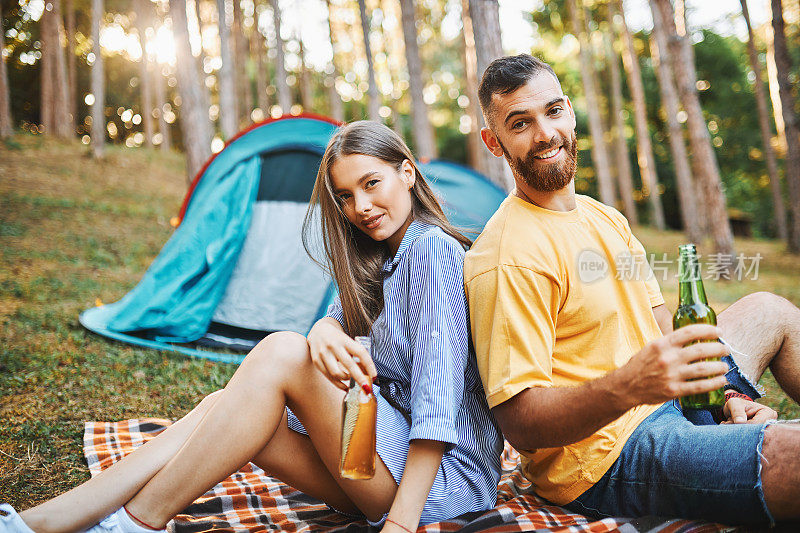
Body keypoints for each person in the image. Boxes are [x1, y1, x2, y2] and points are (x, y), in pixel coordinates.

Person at [1, 121, 504, 533]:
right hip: (367, 459)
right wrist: (324, 331)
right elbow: (333, 324)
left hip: (437, 484)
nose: (362, 207)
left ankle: (136, 523)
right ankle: (47, 521)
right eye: (346, 197)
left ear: (408, 173)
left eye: (372, 183)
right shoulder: (376, 258)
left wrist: (399, 523)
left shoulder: (431, 251)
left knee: (282, 351)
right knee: (227, 409)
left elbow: (438, 408)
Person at [464, 54, 800, 526]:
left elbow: (660, 324)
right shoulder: (505, 256)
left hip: (669, 401)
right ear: (493, 142)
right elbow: (521, 421)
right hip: (607, 460)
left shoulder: (603, 217)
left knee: (769, 310)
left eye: (553, 111)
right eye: (521, 123)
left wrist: (726, 397)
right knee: (792, 454)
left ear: (570, 113)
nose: (545, 134)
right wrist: (628, 386)